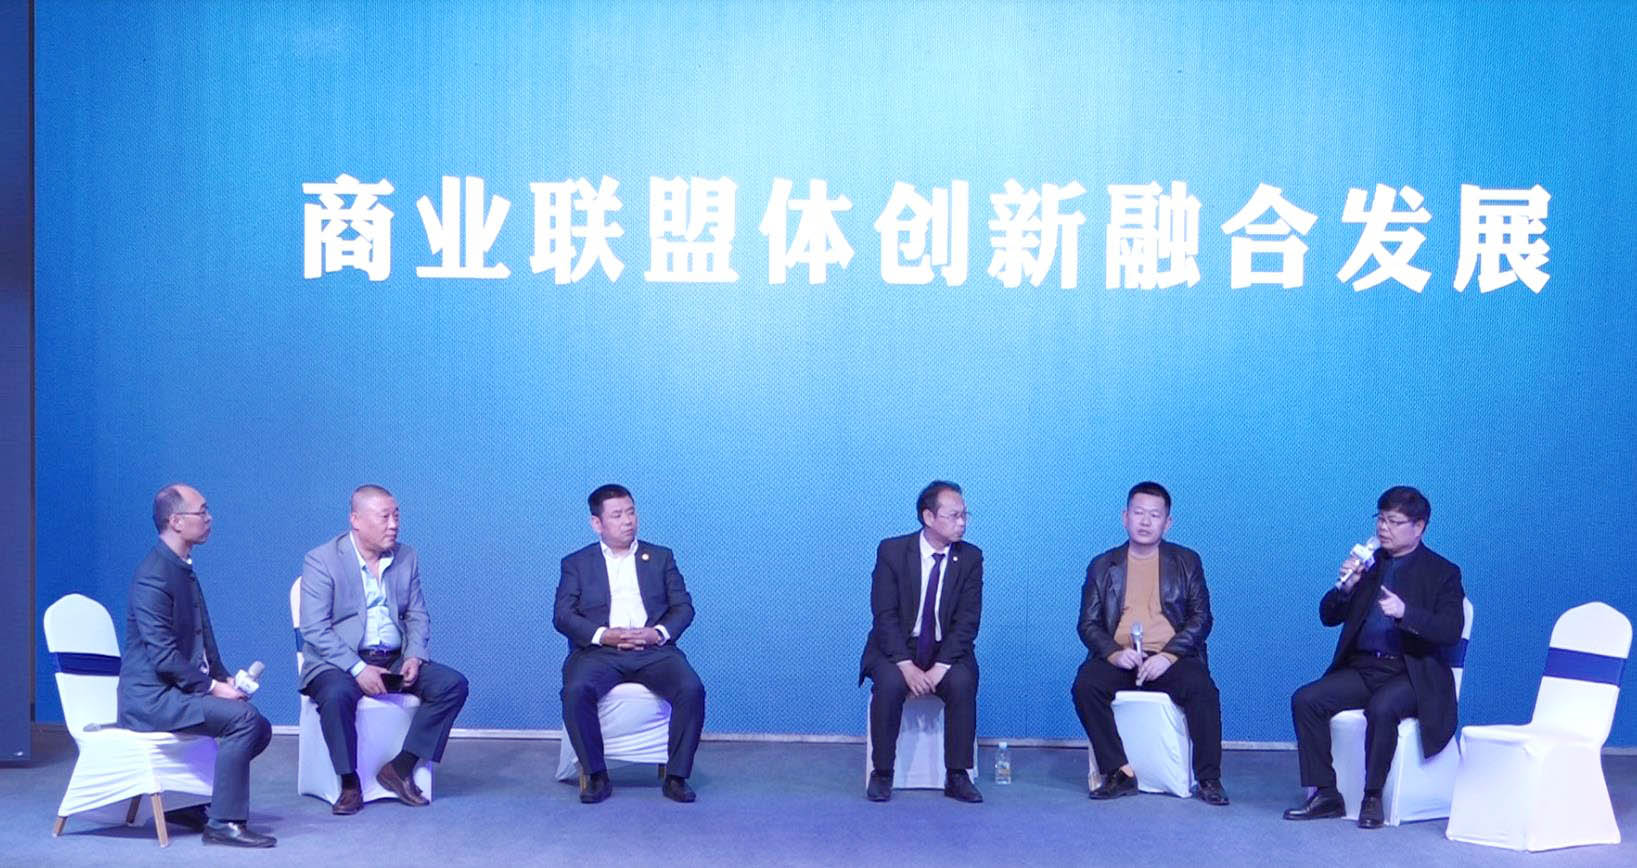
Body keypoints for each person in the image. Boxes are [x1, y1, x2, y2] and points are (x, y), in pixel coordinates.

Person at [1285, 485, 1465, 828]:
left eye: (1394, 522)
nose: (1383, 528)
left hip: (1411, 674)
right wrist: (1344, 588)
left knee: (1382, 707)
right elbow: (1327, 616)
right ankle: (1326, 793)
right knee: (1306, 700)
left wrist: (1405, 613)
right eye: (1380, 519)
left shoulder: (1443, 572)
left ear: (1419, 526)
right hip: (1364, 667)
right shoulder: (1369, 564)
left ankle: (1372, 796)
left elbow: (1450, 630)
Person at [117, 484, 275, 847]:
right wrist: (212, 688)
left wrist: (223, 678)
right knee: (244, 721)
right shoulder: (153, 574)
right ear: (176, 521)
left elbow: (201, 641)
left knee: (259, 727)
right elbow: (163, 656)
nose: (209, 518)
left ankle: (205, 806)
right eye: (201, 512)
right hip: (151, 700)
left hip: (175, 692)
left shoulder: (180, 568)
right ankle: (224, 822)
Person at [298, 485, 470, 815]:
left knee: (452, 685)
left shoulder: (406, 557)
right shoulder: (322, 560)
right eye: (384, 517)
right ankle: (349, 783)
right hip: (338, 662)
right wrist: (357, 668)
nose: (393, 525)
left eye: (396, 516)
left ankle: (399, 768)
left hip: (393, 658)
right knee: (336, 694)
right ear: (356, 520)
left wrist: (414, 655)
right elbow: (314, 629)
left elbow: (417, 614)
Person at [1071, 481, 1228, 806]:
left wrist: (1169, 656)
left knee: (1202, 689)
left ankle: (1209, 778)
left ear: (1167, 523)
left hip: (1170, 657)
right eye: (1138, 513)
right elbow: (1087, 624)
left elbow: (1202, 618)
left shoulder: (1186, 561)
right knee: (1086, 686)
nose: (1145, 522)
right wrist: (1114, 654)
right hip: (1122, 657)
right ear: (1125, 517)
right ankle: (1118, 772)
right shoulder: (1102, 565)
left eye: (1154, 515)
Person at [555, 484, 706, 804]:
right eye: (617, 515)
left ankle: (677, 776)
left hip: (653, 650)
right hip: (599, 653)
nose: (628, 521)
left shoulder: (661, 557)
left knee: (691, 688)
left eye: (631, 512)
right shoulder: (577, 563)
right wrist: (603, 635)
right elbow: (563, 616)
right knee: (575, 691)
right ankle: (596, 775)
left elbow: (683, 607)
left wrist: (658, 633)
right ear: (597, 523)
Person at [859, 480, 984, 803]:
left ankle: (957, 774)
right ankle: (882, 771)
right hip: (898, 647)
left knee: (962, 682)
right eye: (954, 515)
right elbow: (884, 615)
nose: (962, 522)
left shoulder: (970, 558)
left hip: (945, 649)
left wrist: (941, 667)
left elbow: (967, 622)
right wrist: (906, 666)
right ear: (928, 517)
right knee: (890, 684)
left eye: (965, 515)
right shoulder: (892, 552)